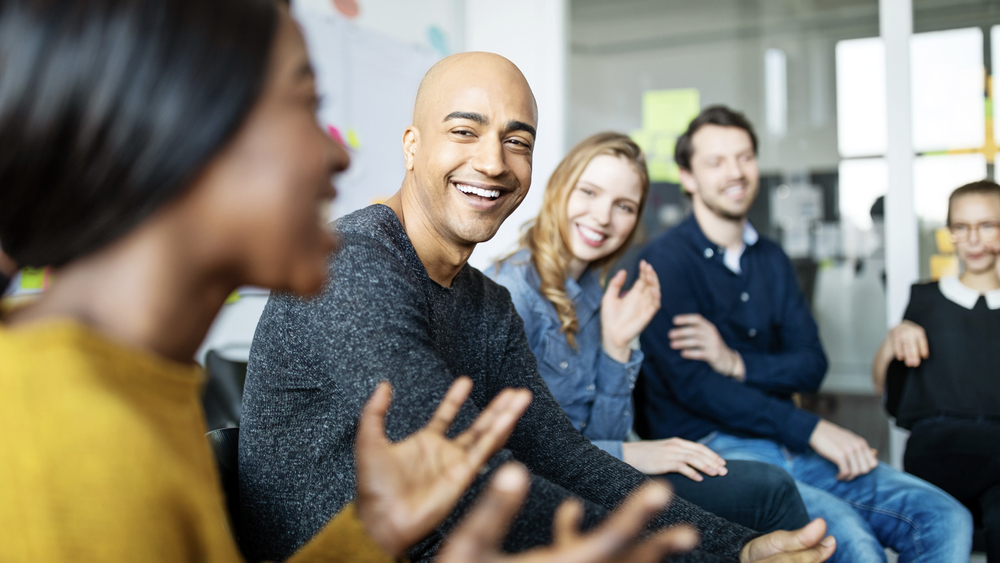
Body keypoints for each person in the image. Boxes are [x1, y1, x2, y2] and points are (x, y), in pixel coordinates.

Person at [0, 2, 709, 562]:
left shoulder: (137, 388)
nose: (336, 154)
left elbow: (557, 452)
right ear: (188, 137)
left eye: (515, 139)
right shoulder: (67, 437)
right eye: (303, 106)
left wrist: (367, 537)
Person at [240, 52, 837, 563]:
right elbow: (463, 476)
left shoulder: (488, 305)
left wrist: (736, 548)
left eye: (517, 141)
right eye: (465, 131)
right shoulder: (354, 263)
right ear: (413, 147)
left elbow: (565, 456)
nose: (495, 162)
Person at [634, 105, 973, 562]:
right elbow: (698, 389)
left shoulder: (772, 259)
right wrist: (811, 427)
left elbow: (811, 365)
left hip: (786, 440)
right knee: (851, 540)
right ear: (688, 177)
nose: (735, 172)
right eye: (716, 162)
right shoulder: (666, 263)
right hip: (717, 449)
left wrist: (736, 362)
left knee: (945, 516)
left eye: (744, 157)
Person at [488, 131, 810, 534]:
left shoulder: (593, 293)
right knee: (771, 491)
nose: (604, 217)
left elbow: (601, 435)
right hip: (544, 497)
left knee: (767, 488)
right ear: (559, 189)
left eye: (623, 206)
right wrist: (632, 452)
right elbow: (515, 449)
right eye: (589, 192)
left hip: (592, 480)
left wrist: (616, 345)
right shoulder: (511, 293)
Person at [873, 180, 1000, 562]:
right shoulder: (925, 299)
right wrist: (894, 339)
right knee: (937, 523)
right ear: (950, 234)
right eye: (961, 227)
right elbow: (883, 386)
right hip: (938, 446)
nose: (973, 239)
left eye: (987, 226)